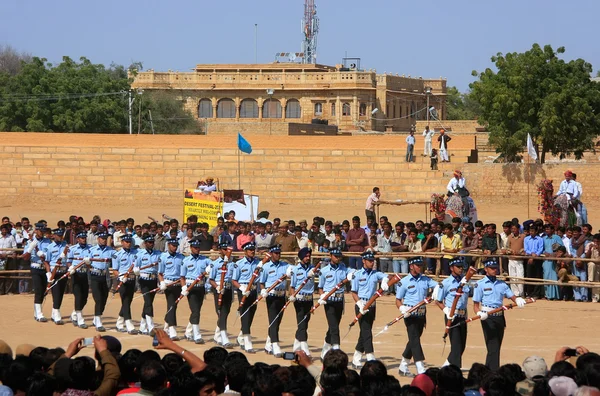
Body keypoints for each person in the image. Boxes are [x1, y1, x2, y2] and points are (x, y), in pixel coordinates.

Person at [472, 257, 526, 370]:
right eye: (492, 268)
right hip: (487, 316)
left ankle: (487, 369)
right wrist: (479, 313)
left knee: (496, 346)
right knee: (493, 346)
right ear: (486, 269)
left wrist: (517, 300)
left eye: (496, 268)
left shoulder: (502, 284)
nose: (494, 270)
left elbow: (511, 295)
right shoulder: (480, 284)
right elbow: (475, 305)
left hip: (500, 316)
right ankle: (494, 371)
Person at [395, 257, 437, 376]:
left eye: (421, 265)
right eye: (417, 265)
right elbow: (398, 300)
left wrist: (436, 291)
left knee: (413, 340)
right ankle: (420, 368)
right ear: (411, 266)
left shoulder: (425, 279)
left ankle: (403, 366)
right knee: (415, 340)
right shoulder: (404, 282)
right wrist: (402, 308)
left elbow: (439, 285)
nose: (420, 267)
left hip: (421, 315)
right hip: (410, 314)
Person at [350, 251, 390, 369]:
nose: (372, 263)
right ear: (363, 261)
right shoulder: (357, 274)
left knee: (365, 331)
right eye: (369, 261)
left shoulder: (375, 274)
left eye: (373, 261)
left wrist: (385, 281)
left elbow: (387, 276)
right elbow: (353, 292)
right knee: (367, 331)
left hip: (372, 305)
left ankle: (356, 358)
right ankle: (370, 358)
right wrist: (359, 304)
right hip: (361, 305)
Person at [318, 248, 354, 360]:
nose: (338, 258)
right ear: (330, 256)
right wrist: (322, 296)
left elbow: (354, 272)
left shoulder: (344, 268)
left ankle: (326, 346)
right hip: (329, 301)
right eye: (336, 256)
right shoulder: (324, 271)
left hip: (339, 301)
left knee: (334, 326)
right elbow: (320, 287)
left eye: (339, 256)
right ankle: (336, 349)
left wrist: (351, 274)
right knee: (334, 326)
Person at [232, 242, 267, 353]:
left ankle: (241, 336)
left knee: (251, 313)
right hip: (243, 290)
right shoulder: (239, 263)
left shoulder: (259, 263)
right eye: (250, 250)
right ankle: (247, 341)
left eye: (253, 249)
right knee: (245, 314)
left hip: (253, 291)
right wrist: (241, 288)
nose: (252, 251)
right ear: (245, 251)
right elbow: (234, 280)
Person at [435, 258, 470, 368]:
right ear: (451, 268)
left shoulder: (465, 281)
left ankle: (446, 367)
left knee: (462, 346)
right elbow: (438, 301)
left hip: (463, 315)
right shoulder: (445, 283)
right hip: (452, 316)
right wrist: (446, 310)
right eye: (458, 267)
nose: (461, 269)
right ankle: (456, 371)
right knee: (456, 346)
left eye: (461, 267)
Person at [260, 245, 290, 357]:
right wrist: (263, 290)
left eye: (279, 253)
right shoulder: (266, 267)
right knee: (273, 320)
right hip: (271, 296)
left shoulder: (285, 265)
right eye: (276, 253)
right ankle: (275, 344)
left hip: (281, 296)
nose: (278, 255)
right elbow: (261, 282)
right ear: (271, 254)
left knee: (278, 321)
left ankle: (268, 343)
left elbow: (293, 270)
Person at [180, 239, 211, 343]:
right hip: (191, 288)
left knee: (196, 311)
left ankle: (188, 332)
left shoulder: (204, 259)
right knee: (195, 311)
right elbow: (182, 277)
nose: (197, 249)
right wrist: (184, 287)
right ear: (191, 248)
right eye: (195, 247)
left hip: (200, 288)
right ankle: (197, 335)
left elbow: (214, 265)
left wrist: (209, 268)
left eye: (198, 247)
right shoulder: (186, 260)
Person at [289, 247, 317, 356]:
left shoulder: (312, 268)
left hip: (309, 299)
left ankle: (296, 345)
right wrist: (292, 296)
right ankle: (304, 347)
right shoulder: (295, 270)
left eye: (309, 256)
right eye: (305, 256)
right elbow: (292, 285)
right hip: (299, 299)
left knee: (305, 322)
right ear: (301, 257)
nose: (308, 258)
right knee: (301, 322)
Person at [22, 223, 52, 322]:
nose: (42, 233)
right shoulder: (30, 241)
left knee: (44, 291)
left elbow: (50, 255)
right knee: (38, 289)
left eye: (43, 231)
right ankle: (39, 313)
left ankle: (36, 311)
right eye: (40, 230)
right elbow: (25, 258)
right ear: (36, 230)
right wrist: (30, 248)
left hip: (45, 268)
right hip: (35, 267)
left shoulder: (48, 242)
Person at [134, 234, 162, 335]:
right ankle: (151, 327)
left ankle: (142, 326)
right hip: (144, 280)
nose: (151, 244)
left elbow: (160, 267)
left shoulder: (158, 254)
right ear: (145, 243)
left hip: (153, 280)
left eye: (152, 242)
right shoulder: (140, 254)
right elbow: (135, 266)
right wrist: (136, 270)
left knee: (148, 303)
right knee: (148, 302)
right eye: (149, 242)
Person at [111, 234, 139, 334]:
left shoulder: (136, 253)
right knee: (125, 301)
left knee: (128, 301)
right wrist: (120, 277)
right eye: (126, 242)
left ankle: (119, 322)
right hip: (122, 280)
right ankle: (129, 324)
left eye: (129, 242)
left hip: (132, 279)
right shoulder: (117, 255)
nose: (128, 244)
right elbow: (114, 269)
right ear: (122, 242)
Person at [158, 238, 184, 340]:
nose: (175, 247)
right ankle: (172, 330)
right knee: (171, 305)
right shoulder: (163, 257)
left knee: (174, 306)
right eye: (173, 245)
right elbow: (160, 273)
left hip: (178, 284)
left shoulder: (181, 257)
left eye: (176, 245)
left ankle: (166, 325)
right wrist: (162, 282)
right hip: (168, 284)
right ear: (168, 245)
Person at [209, 242, 234, 347]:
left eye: (227, 249)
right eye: (224, 249)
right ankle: (224, 336)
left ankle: (217, 335)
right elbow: (211, 279)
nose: (226, 251)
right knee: (221, 312)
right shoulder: (215, 264)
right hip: (219, 290)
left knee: (226, 312)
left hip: (228, 289)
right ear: (220, 250)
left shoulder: (232, 264)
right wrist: (217, 287)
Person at [66, 231, 92, 329]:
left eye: (84, 238)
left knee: (84, 298)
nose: (83, 239)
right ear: (77, 239)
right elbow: (68, 261)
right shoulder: (72, 249)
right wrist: (70, 267)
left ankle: (74, 313)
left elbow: (91, 262)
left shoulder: (90, 248)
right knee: (78, 295)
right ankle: (80, 320)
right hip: (76, 274)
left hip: (85, 274)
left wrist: (89, 263)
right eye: (81, 238)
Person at [88, 230, 113, 331]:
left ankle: (96, 317)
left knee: (104, 298)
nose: (104, 240)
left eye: (105, 239)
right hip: (95, 275)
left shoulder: (110, 250)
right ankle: (98, 320)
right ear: (98, 239)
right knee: (98, 298)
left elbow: (116, 258)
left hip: (105, 276)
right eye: (102, 239)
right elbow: (87, 262)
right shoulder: (92, 250)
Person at [43, 228, 69, 325]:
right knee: (56, 292)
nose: (60, 237)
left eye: (61, 235)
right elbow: (46, 261)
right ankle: (57, 312)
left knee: (61, 292)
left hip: (63, 271)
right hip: (54, 272)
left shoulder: (66, 246)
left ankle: (54, 312)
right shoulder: (50, 247)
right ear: (54, 236)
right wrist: (48, 272)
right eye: (58, 235)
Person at [542, 224, 563, 300]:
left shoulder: (557, 238)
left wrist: (553, 254)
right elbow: (542, 248)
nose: (547, 231)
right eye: (546, 229)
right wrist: (544, 253)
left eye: (548, 229)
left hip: (554, 260)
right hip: (546, 260)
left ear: (552, 230)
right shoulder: (544, 238)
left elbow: (561, 248)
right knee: (546, 276)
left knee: (554, 277)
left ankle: (555, 296)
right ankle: (548, 295)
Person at [523, 226, 544, 299]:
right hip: (529, 258)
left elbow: (541, 248)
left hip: (537, 259)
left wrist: (536, 255)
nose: (531, 232)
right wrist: (531, 254)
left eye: (533, 231)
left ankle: (536, 294)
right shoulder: (526, 239)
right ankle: (529, 293)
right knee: (529, 275)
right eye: (530, 231)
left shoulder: (540, 239)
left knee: (537, 276)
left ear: (536, 231)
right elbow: (526, 249)